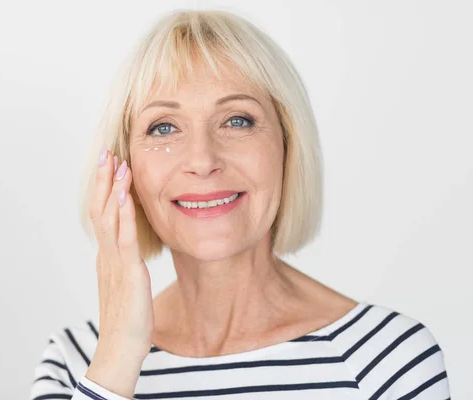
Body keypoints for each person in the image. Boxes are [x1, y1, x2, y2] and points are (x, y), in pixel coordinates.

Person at [29, 9, 450, 400]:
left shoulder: (386, 359)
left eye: (237, 120)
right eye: (163, 127)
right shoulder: (77, 362)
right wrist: (118, 354)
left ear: (288, 145)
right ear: (125, 166)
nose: (202, 160)